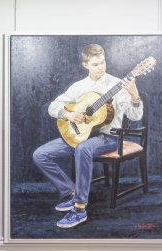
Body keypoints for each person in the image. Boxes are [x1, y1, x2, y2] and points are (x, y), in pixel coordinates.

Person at [32, 44, 143, 228]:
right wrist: (67, 115)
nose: (101, 67)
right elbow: (53, 106)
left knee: (83, 149)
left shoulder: (118, 85)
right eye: (95, 64)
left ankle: (79, 208)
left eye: (103, 62)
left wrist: (135, 97)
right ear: (86, 65)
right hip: (80, 135)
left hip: (108, 138)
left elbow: (135, 116)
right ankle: (70, 192)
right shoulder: (79, 87)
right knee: (40, 154)